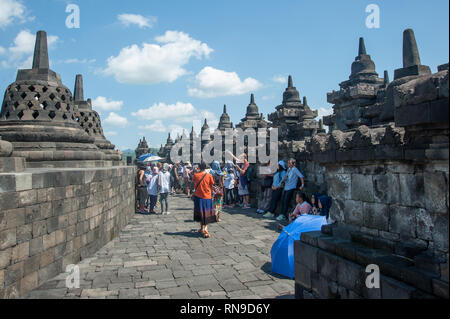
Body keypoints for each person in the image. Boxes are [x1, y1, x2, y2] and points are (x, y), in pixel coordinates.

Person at [193, 162, 216, 238]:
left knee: (200, 212)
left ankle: (202, 228)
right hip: (207, 196)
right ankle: (205, 228)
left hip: (198, 196)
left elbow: (194, 184)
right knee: (206, 213)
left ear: (199, 167)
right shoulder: (209, 175)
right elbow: (211, 184)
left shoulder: (196, 175)